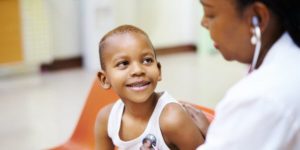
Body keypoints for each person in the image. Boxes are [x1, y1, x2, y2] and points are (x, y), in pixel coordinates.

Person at [182, 0, 300, 149]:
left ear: (258, 17)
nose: (203, 23)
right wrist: (220, 132)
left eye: (210, 14)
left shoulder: (259, 98)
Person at [94, 25, 207, 150]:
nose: (138, 70)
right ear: (105, 79)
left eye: (147, 60)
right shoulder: (106, 118)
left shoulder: (172, 119)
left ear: (158, 70)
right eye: (123, 63)